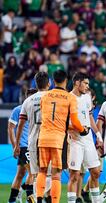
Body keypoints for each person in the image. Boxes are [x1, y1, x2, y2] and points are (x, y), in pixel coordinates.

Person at [36, 70, 89, 203]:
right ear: (66, 81)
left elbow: (44, 115)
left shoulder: (45, 96)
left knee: (42, 170)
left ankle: (38, 199)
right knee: (56, 174)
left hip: (42, 137)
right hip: (58, 140)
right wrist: (83, 130)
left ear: (53, 81)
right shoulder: (70, 97)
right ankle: (54, 201)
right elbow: (75, 121)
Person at [13, 72, 51, 203]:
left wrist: (17, 145)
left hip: (33, 141)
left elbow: (20, 125)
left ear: (36, 83)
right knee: (52, 175)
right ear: (49, 83)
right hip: (50, 140)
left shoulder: (28, 101)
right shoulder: (53, 97)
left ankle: (35, 197)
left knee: (36, 175)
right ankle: (37, 197)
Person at [67, 72, 103, 203]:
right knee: (74, 175)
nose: (88, 86)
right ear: (77, 83)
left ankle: (96, 201)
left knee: (95, 172)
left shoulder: (87, 97)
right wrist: (71, 130)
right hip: (75, 141)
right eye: (85, 83)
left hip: (88, 141)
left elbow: (90, 117)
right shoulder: (68, 98)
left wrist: (98, 135)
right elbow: (63, 121)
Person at [8, 88, 37, 203]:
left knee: (20, 174)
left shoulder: (38, 110)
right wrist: (15, 146)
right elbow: (10, 128)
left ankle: (12, 199)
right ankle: (30, 200)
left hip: (33, 145)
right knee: (32, 172)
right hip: (24, 146)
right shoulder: (18, 110)